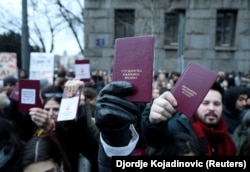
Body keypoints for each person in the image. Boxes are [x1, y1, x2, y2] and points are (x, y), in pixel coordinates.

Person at [141, 81, 237, 156]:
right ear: (196, 105)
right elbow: (156, 139)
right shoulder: (180, 126)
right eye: (205, 103)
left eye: (216, 104)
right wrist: (154, 123)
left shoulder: (227, 134)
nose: (211, 108)